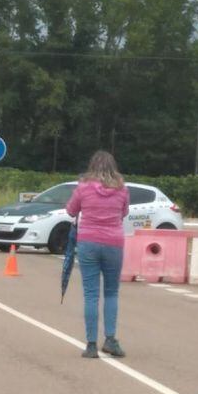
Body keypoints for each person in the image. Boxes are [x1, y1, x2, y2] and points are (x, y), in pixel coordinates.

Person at [65, 150, 130, 359]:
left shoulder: (83, 188)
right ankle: (110, 339)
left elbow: (70, 210)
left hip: (88, 243)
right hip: (114, 243)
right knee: (111, 293)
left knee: (91, 294)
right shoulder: (122, 189)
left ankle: (91, 344)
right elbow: (124, 212)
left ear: (92, 166)